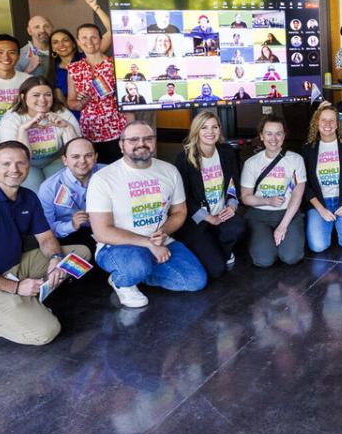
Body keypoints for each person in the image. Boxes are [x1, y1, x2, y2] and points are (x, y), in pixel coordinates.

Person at [0, 141, 91, 346]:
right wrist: (15, 287)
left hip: (12, 267)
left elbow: (47, 238)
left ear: (28, 166)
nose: (14, 170)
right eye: (6, 164)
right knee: (45, 332)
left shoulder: (28, 197)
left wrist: (55, 259)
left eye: (21, 163)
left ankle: (24, 301)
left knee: (78, 255)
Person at [87, 122, 206, 308]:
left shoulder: (169, 171)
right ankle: (123, 279)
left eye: (147, 139)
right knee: (136, 266)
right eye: (133, 139)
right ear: (121, 145)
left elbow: (179, 211)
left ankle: (137, 273)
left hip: (161, 242)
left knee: (195, 281)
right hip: (118, 246)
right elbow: (102, 232)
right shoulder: (103, 179)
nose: (141, 143)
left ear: (154, 142)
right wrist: (148, 244)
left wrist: (164, 232)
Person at [173, 111, 246, 280]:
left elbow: (233, 184)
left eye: (215, 127)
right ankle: (206, 248)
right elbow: (184, 198)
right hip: (198, 221)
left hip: (222, 214)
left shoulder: (227, 151)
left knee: (238, 227)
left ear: (220, 129)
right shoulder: (184, 158)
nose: (210, 132)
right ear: (196, 131)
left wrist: (232, 205)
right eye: (204, 127)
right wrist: (207, 218)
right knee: (216, 270)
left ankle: (222, 248)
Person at [240, 116, 307, 268]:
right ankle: (266, 243)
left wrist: (283, 226)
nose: (274, 138)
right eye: (269, 134)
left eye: (278, 133)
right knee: (264, 260)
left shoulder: (296, 160)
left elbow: (297, 195)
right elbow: (245, 197)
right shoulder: (251, 163)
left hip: (287, 214)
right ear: (262, 136)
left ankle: (282, 241)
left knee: (290, 257)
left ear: (284, 136)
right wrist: (267, 201)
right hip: (259, 216)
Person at [0, 76, 81, 191]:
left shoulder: (61, 113)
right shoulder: (11, 119)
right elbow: (18, 159)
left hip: (54, 159)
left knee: (61, 190)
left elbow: (77, 152)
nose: (43, 100)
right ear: (23, 97)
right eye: (36, 95)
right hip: (27, 164)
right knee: (35, 193)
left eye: (48, 95)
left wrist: (67, 127)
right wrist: (23, 130)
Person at [302, 103, 342, 253]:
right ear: (317, 122)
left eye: (332, 120)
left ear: (337, 124)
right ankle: (331, 225)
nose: (328, 124)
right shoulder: (308, 148)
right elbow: (304, 184)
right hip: (320, 203)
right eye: (324, 120)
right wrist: (320, 209)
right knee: (318, 246)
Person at [68, 22, 129, 163]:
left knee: (118, 169)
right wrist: (80, 103)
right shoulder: (74, 68)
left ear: (101, 39)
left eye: (93, 37)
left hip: (117, 129)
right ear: (78, 42)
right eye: (84, 38)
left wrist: (129, 132)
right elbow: (71, 102)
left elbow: (128, 101)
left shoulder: (115, 65)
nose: (89, 42)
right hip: (90, 131)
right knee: (95, 171)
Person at [38, 136, 104, 254]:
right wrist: (71, 225)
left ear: (96, 157)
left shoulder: (108, 174)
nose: (82, 161)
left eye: (88, 155)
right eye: (75, 157)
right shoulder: (49, 188)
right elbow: (46, 230)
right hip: (71, 234)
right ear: (65, 160)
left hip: (106, 226)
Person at [47, 28, 83, 118]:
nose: (61, 45)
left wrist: (97, 12)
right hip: (70, 117)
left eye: (65, 40)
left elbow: (110, 33)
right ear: (53, 49)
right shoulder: (53, 70)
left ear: (74, 44)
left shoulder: (86, 58)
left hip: (95, 111)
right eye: (55, 42)